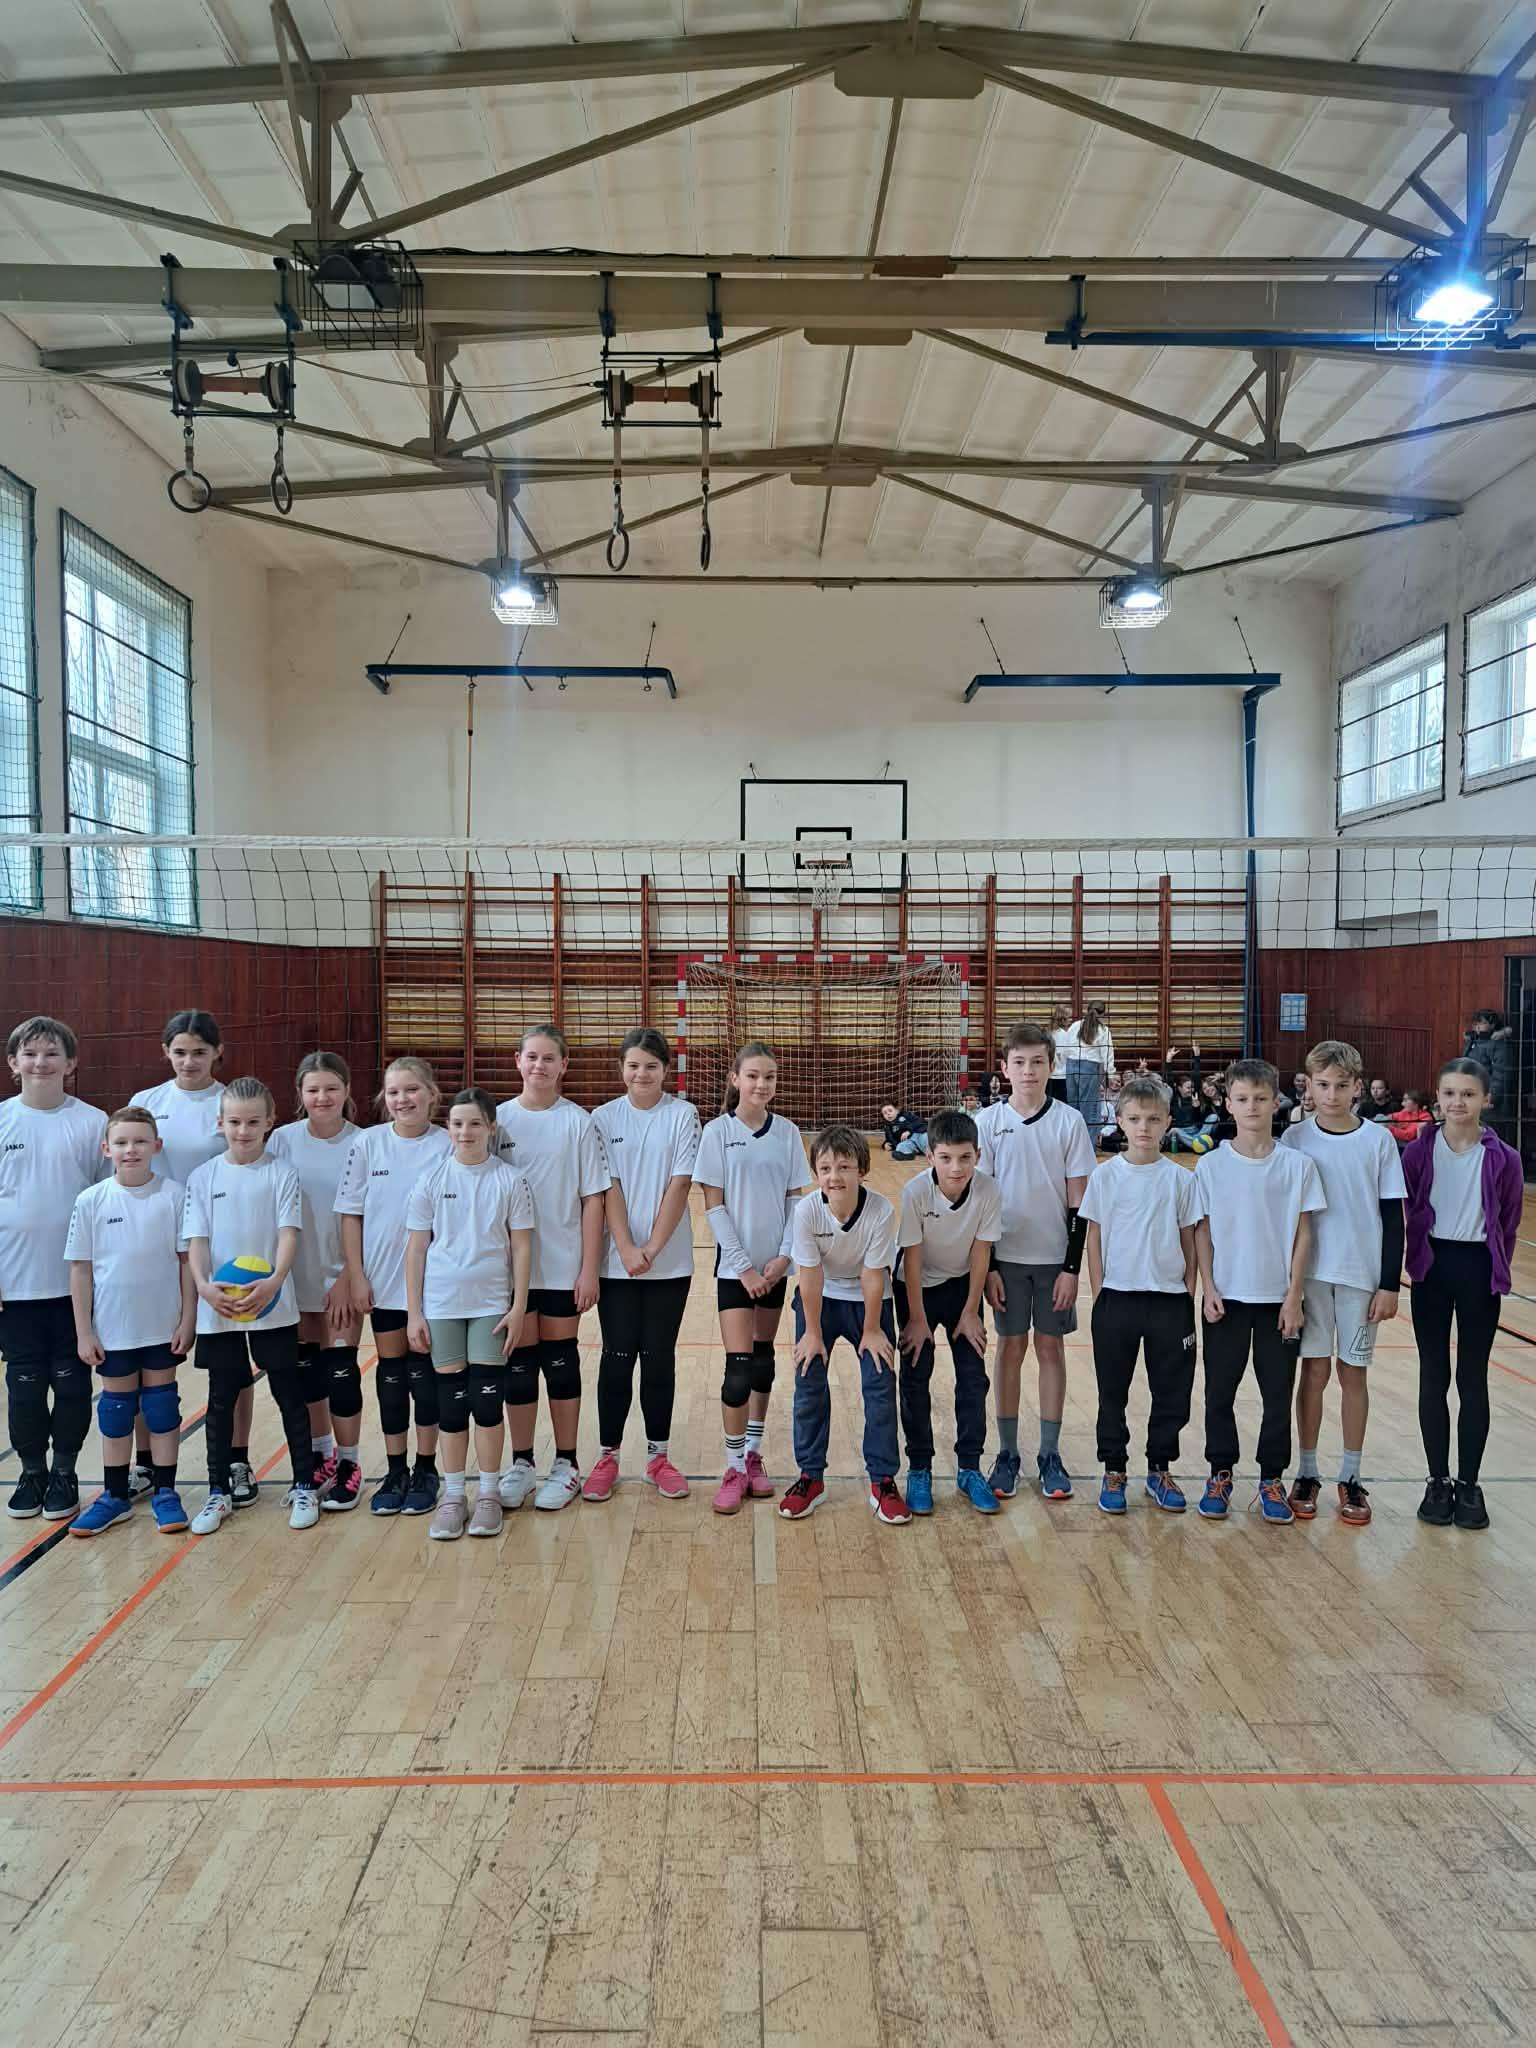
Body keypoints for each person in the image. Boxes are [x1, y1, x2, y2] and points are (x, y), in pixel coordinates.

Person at [1194, 1059, 1325, 1525]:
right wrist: (1208, 1286)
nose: (1252, 1107)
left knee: (1277, 1394)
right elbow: (1202, 1230)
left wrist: (1294, 1295)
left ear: (1276, 1102)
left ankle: (1272, 1479)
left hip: (1278, 1302)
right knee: (1219, 1392)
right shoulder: (1210, 1166)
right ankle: (1220, 1473)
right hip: (1226, 1299)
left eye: (1261, 1098)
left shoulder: (1297, 1165)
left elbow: (1304, 1234)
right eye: (1242, 1099)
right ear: (1228, 1104)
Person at [182, 1077, 316, 1535]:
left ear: (270, 1122)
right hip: (219, 1305)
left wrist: (275, 1281)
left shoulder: (282, 1173)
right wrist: (204, 1287)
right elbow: (197, 1241)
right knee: (221, 1398)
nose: (243, 1131)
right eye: (235, 1122)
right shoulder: (203, 1177)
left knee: (288, 1393)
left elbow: (288, 1234)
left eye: (253, 1122)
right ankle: (217, 1490)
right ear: (220, 1122)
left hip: (272, 1304)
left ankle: (304, 1484)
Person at [1280, 1040, 1406, 1527]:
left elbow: (1393, 1216)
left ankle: (1351, 1475)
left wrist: (1389, 1283)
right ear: (1308, 1086)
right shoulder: (1294, 1139)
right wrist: (1288, 1286)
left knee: (1354, 1373)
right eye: (1322, 1085)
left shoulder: (1377, 1141)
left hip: (1360, 1277)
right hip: (1310, 1277)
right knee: (1313, 1373)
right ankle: (1307, 1471)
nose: (1331, 1095)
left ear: (1358, 1087)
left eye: (1341, 1085)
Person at [977, 1022, 1096, 1501]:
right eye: (1019, 1062)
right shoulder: (987, 1123)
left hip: (1053, 1263)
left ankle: (1049, 1453)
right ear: (1005, 1069)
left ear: (1052, 1066)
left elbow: (1079, 1204)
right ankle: (1007, 1452)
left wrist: (1071, 1268)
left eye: (1038, 1062)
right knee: (1009, 1348)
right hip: (1005, 1260)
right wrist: (988, 1267)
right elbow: (981, 1203)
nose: (1028, 1071)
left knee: (1050, 1348)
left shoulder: (1070, 1122)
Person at [407, 1088, 533, 1541]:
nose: (465, 1132)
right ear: (448, 1129)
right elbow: (416, 1249)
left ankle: (489, 1492)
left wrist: (518, 1307)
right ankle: (455, 1493)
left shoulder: (510, 1180)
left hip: (490, 1305)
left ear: (491, 1128)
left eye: (475, 1123)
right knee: (451, 1403)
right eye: (457, 1124)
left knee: (486, 1400)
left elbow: (522, 1247)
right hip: (442, 1304)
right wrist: (414, 1312)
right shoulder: (431, 1180)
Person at [493, 1024, 610, 1511]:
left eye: (548, 1058)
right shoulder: (497, 1121)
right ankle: (522, 1463)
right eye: (531, 1057)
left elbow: (593, 1199)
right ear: (517, 1061)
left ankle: (566, 1463)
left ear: (564, 1065)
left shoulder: (578, 1122)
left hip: (562, 1265)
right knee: (518, 1365)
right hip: (506, 1271)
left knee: (561, 1361)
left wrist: (588, 1269)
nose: (538, 1065)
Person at [1405, 1058, 1523, 1531]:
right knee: (1433, 1376)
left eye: (1468, 1094)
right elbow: (1407, 1205)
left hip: (1477, 1270)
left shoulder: (1504, 1158)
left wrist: (1495, 1266)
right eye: (1450, 1093)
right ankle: (1437, 1480)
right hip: (1432, 1270)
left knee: (1472, 1379)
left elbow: (1508, 1221)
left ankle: (1469, 1483)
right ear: (1438, 1096)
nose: (1458, 1102)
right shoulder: (1418, 1151)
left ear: (1485, 1100)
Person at [65, 1105, 195, 1534]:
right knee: (116, 1411)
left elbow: (186, 1264)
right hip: (113, 1330)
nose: (131, 1149)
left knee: (161, 1407)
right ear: (106, 1149)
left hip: (162, 1326)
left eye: (140, 1141)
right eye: (121, 1142)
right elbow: (80, 1269)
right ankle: (115, 1496)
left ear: (157, 1145)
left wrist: (188, 1319)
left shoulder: (174, 1195)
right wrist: (84, 1331)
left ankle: (166, 1492)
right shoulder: (91, 1201)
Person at [693, 1040, 809, 1514]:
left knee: (762, 1361)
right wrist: (742, 1266)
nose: (762, 1084)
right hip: (735, 1272)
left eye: (770, 1077)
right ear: (735, 1079)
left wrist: (783, 1259)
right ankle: (734, 1465)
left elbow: (796, 1202)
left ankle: (754, 1454)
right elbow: (713, 1205)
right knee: (737, 1370)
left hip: (774, 1269)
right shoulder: (717, 1132)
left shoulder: (787, 1133)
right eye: (753, 1076)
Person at [586, 1029, 700, 1503]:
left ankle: (658, 1457)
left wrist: (651, 1247)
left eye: (651, 1066)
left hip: (668, 1264)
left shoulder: (683, 1115)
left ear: (666, 1070)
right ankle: (607, 1457)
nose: (642, 1074)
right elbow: (606, 1184)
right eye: (633, 1065)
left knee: (658, 1358)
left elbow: (680, 1183)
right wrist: (627, 1247)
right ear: (622, 1069)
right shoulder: (602, 1118)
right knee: (616, 1358)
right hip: (616, 1264)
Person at [1, 1016, 107, 1523]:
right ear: (13, 1063)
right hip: (14, 1285)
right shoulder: (2, 1121)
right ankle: (31, 1472)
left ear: (71, 1063)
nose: (40, 1062)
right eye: (30, 1053)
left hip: (74, 1287)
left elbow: (108, 1202)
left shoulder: (92, 1122)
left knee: (71, 1385)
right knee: (23, 1386)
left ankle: (64, 1472)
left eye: (51, 1054)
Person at [1080, 1075, 1203, 1515]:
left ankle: (1159, 1468)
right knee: (1112, 1392)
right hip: (1117, 1299)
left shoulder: (1181, 1179)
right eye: (1134, 1119)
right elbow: (1094, 1237)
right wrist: (1099, 1292)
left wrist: (1188, 1291)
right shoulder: (1105, 1176)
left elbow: (1189, 1239)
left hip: (1169, 1301)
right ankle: (1114, 1468)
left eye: (1153, 1119)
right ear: (1120, 1121)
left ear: (1168, 1121)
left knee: (1171, 1392)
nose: (1144, 1127)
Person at [335, 1056, 451, 1517]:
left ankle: (427, 1468)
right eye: (394, 1092)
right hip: (382, 1281)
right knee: (391, 1375)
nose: (403, 1099)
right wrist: (357, 1275)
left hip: (432, 1284)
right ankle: (396, 1469)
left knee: (424, 1376)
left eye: (412, 1090)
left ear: (431, 1095)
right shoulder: (367, 1144)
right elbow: (350, 1215)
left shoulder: (446, 1144)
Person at [780, 1124, 906, 1524]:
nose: (834, 1176)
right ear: (816, 1173)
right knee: (808, 1382)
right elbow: (810, 1275)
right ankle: (810, 1477)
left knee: (879, 1385)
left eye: (844, 1167)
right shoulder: (806, 1211)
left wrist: (872, 1330)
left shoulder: (881, 1211)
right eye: (826, 1168)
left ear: (862, 1171)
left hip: (869, 1301)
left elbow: (873, 1276)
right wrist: (812, 1332)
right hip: (820, 1298)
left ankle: (882, 1480)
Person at [130, 1010, 232, 1498]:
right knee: (146, 1356)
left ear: (217, 1053)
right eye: (180, 1052)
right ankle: (146, 1463)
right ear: (165, 1052)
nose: (189, 1061)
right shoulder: (146, 1102)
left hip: (218, 1242)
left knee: (228, 1364)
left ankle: (236, 1460)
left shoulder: (230, 1102)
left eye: (199, 1052)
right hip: (155, 1243)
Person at [895, 1108, 1002, 1517]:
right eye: (945, 1158)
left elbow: (981, 1251)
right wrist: (917, 1318)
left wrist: (972, 1311)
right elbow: (912, 1257)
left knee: (973, 1378)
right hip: (915, 1288)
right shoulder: (915, 1192)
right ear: (930, 1157)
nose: (956, 1168)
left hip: (962, 1288)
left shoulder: (988, 1190)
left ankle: (969, 1468)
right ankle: (919, 1467)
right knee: (915, 1376)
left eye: (964, 1158)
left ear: (978, 1155)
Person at [270, 1053, 363, 1512]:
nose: (322, 1097)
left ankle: (349, 1463)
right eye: (313, 1090)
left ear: (347, 1090)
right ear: (300, 1094)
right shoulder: (282, 1141)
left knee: (341, 1370)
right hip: (295, 1274)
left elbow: (371, 1216)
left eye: (331, 1088)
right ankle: (321, 1455)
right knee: (307, 1373)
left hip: (342, 1275)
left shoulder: (364, 1143)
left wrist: (349, 1276)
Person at [1462, 1008, 1517, 1139]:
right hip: (1470, 1097)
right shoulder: (1473, 1042)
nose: (1477, 1026)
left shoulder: (1499, 1045)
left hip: (1488, 1102)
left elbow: (1501, 1074)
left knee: (1489, 1138)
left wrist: (1491, 1097)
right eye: (1476, 1023)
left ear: (1492, 1025)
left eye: (1482, 1023)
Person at [1061, 1004, 1114, 1130]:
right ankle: (1089, 1142)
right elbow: (1107, 1053)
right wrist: (1111, 1073)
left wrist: (1066, 1065)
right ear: (1103, 1014)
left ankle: (1073, 1140)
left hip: (1071, 1065)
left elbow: (1065, 1047)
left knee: (1073, 1108)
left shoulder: (1075, 1025)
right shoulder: (1103, 1030)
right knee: (1090, 1110)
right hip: (1090, 1067)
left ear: (1087, 1011)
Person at [1047, 1005, 1072, 1104]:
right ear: (1062, 1019)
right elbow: (1060, 1054)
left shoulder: (1050, 1032)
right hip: (1061, 1076)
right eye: (1069, 1017)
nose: (1071, 1020)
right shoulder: (1062, 1034)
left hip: (1050, 1075)